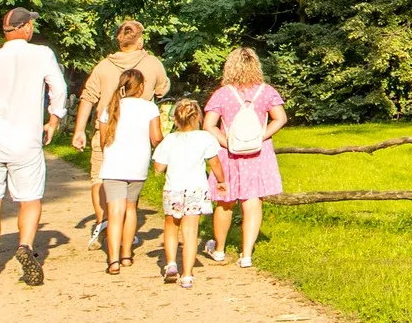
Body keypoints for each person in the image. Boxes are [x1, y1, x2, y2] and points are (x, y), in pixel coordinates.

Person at [0, 7, 70, 286]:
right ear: (24, 29)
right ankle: (24, 245)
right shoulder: (42, 54)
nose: (33, 27)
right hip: (26, 140)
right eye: (31, 23)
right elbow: (58, 89)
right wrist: (54, 120)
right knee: (30, 199)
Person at [72, 18, 171, 245]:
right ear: (140, 40)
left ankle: (104, 222)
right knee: (130, 183)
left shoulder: (103, 66)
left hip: (106, 131)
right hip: (137, 135)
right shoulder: (153, 63)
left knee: (100, 178)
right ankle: (126, 231)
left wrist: (79, 130)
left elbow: (88, 98)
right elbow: (162, 90)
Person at [203, 46, 288, 267]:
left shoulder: (222, 94)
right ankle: (246, 254)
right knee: (252, 202)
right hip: (258, 155)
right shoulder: (267, 91)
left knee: (225, 201)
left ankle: (220, 250)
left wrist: (227, 142)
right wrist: (261, 137)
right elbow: (280, 118)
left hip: (229, 155)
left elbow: (208, 124)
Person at [95, 69, 163, 275]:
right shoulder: (149, 108)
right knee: (131, 209)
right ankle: (127, 254)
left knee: (115, 213)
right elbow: (156, 138)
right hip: (138, 165)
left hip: (114, 164)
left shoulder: (111, 107)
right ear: (141, 87)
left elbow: (102, 140)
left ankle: (113, 259)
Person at [150, 99, 222, 289]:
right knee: (191, 232)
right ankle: (187, 275)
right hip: (196, 189)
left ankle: (171, 263)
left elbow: (158, 167)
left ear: (175, 119)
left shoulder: (170, 140)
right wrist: (221, 181)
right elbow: (214, 163)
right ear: (198, 117)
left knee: (171, 226)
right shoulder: (205, 138)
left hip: (173, 189)